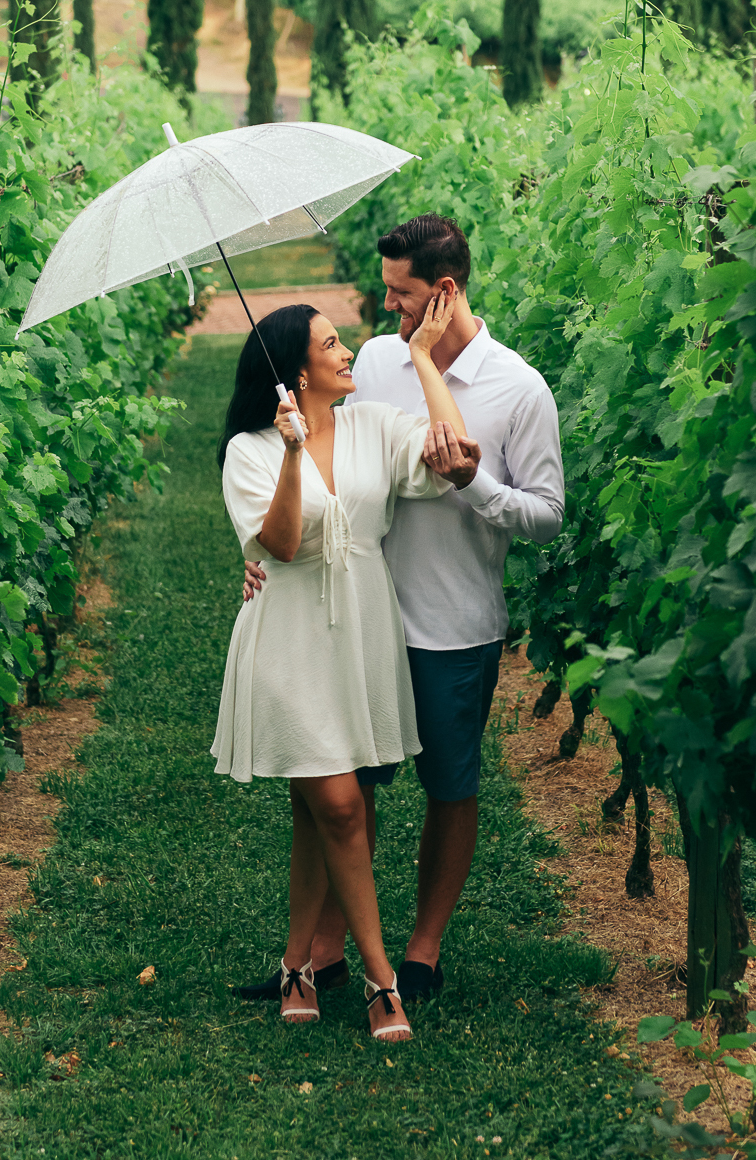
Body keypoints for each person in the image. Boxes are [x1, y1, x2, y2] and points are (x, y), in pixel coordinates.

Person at [240, 214, 565, 1006]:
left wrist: (475, 489)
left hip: (454, 624)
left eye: (401, 294)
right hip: (353, 619)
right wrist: (262, 559)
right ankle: (323, 952)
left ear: (443, 293)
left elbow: (547, 516)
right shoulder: (378, 363)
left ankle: (420, 950)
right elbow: (316, 466)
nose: (384, 310)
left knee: (448, 788)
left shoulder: (517, 389)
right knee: (340, 789)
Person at [212, 294, 481, 1041]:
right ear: (298, 370)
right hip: (288, 637)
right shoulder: (251, 451)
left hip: (361, 629)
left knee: (315, 808)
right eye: (332, 344)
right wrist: (294, 452)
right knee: (338, 804)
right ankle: (379, 977)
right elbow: (284, 545)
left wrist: (424, 357)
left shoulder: (373, 426)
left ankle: (298, 966)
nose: (348, 351)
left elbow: (450, 449)